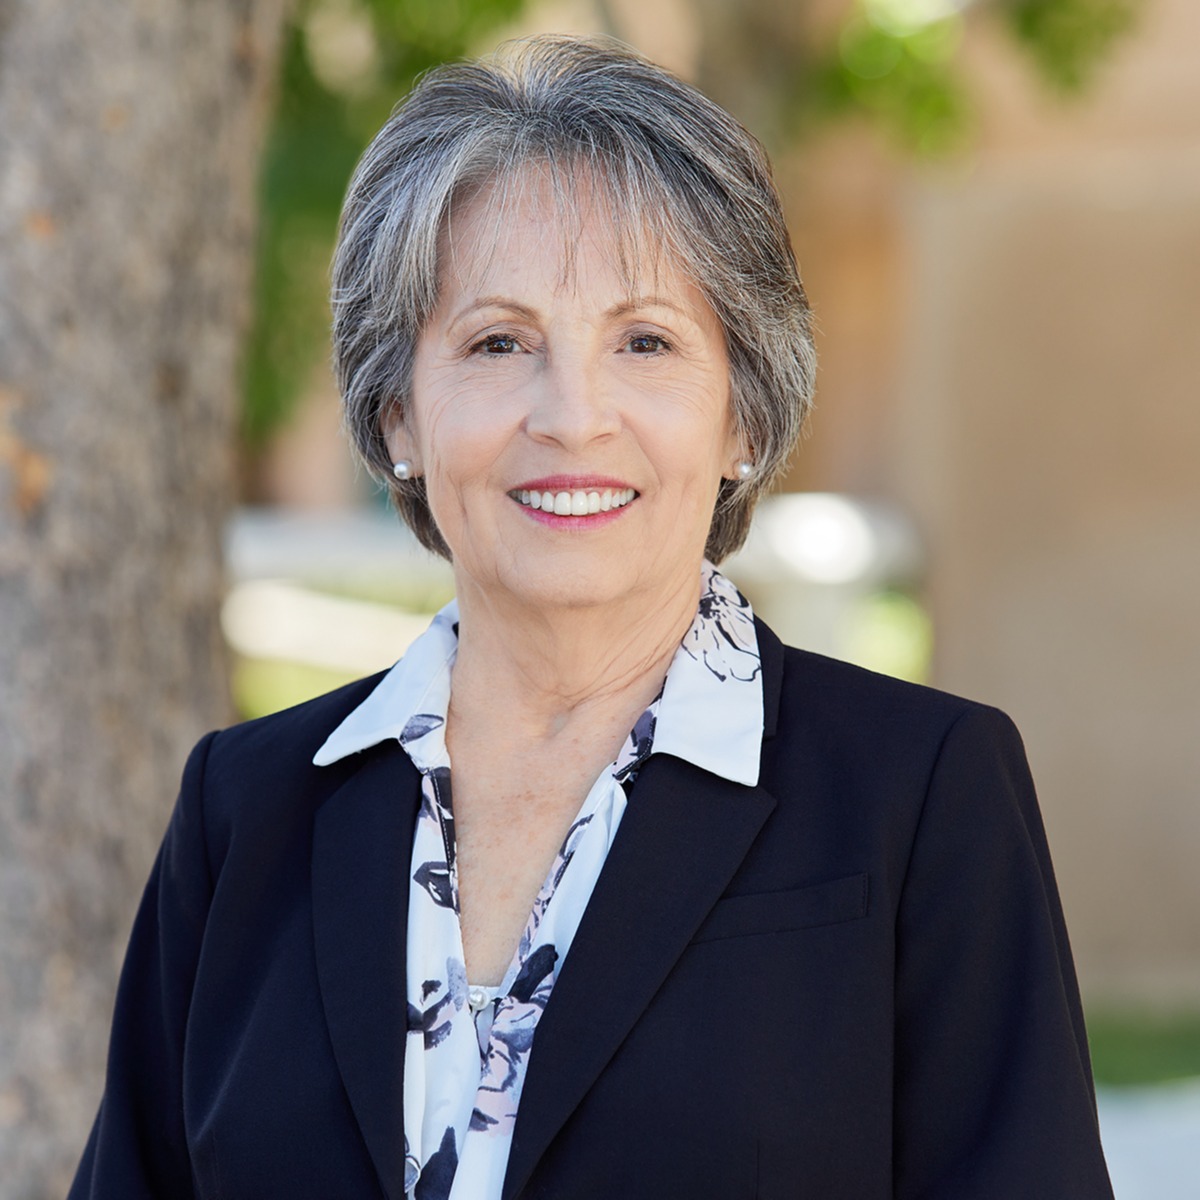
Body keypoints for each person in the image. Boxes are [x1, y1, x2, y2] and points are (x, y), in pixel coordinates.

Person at [70, 34, 1114, 1200]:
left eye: (645, 343)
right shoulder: (244, 812)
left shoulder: (920, 794)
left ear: (744, 420)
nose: (573, 417)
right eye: (498, 342)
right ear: (399, 417)